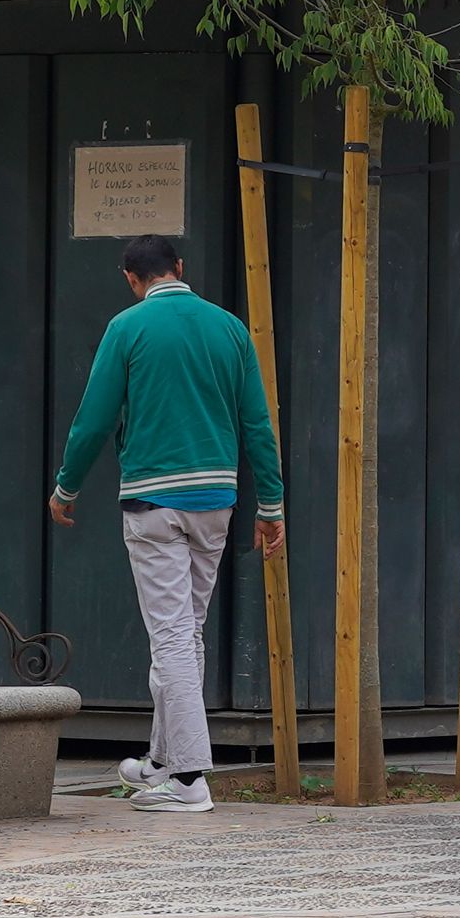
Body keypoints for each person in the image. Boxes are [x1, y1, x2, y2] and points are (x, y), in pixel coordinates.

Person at [48, 234, 285, 814]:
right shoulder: (230, 329)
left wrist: (66, 486)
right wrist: (271, 506)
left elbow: (94, 419)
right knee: (187, 633)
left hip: (154, 502)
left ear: (132, 278)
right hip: (217, 502)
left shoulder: (127, 328)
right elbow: (257, 422)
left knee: (172, 636)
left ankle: (188, 781)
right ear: (181, 267)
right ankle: (160, 761)